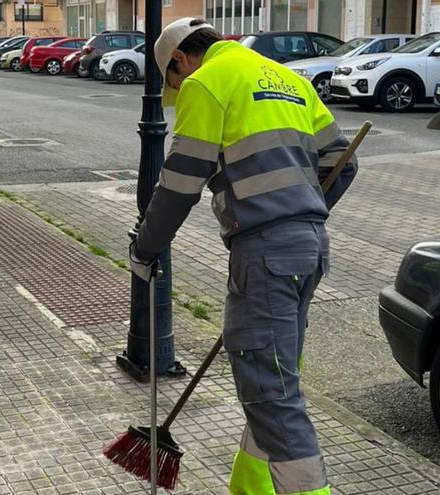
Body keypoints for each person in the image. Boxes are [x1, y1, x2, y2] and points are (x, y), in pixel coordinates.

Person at [129, 18, 357, 495]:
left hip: (266, 254)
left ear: (179, 61)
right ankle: (251, 486)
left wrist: (145, 247)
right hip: (309, 248)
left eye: (174, 81)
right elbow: (343, 161)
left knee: (271, 394)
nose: (178, 89)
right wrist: (299, 213)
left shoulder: (207, 82)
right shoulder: (285, 77)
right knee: (274, 379)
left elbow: (180, 183)